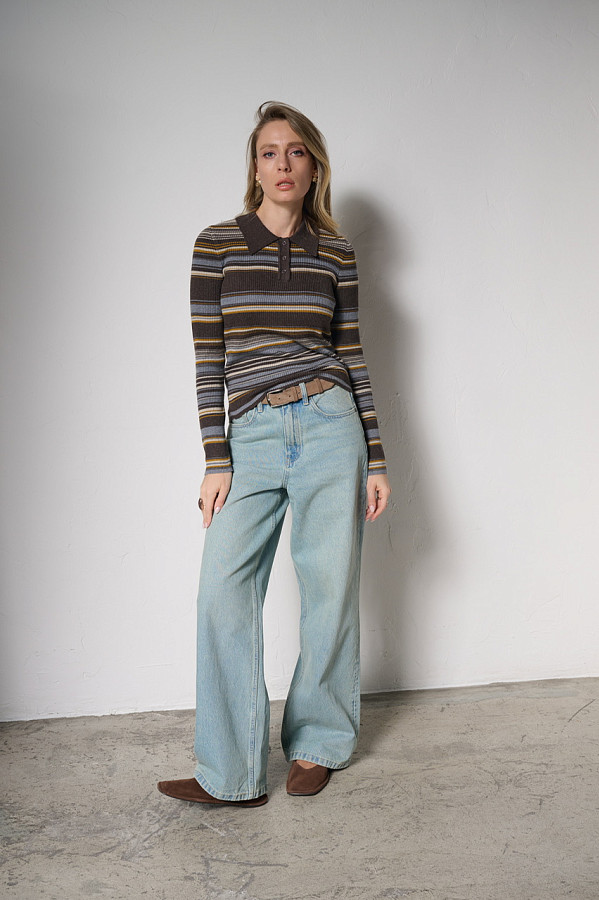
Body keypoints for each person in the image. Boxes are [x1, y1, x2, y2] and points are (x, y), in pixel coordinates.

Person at [158, 101, 391, 807]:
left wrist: (376, 456)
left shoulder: (336, 253)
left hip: (331, 424)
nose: (282, 164)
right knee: (222, 591)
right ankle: (229, 773)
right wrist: (216, 457)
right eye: (269, 152)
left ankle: (318, 742)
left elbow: (351, 353)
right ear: (254, 167)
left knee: (330, 590)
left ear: (314, 166)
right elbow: (209, 359)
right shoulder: (217, 245)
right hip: (252, 434)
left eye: (295, 152)